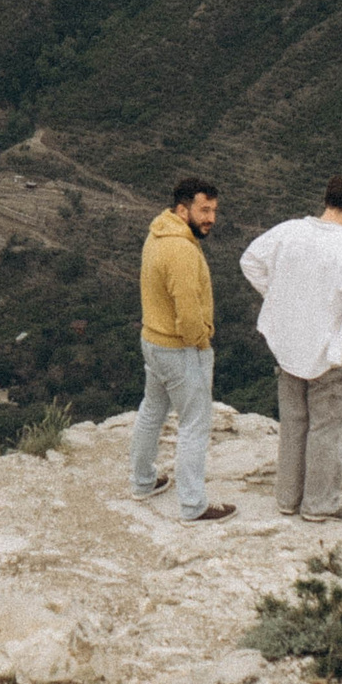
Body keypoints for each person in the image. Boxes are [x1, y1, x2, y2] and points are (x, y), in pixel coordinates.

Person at [239, 176, 342, 521]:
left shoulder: (289, 231)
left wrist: (278, 299)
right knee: (328, 429)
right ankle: (318, 504)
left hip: (289, 346)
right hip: (332, 354)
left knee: (293, 425)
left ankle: (288, 499)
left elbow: (250, 260)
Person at [132, 176, 234, 523]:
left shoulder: (158, 233)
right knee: (195, 424)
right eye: (204, 210)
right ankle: (193, 506)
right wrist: (202, 340)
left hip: (153, 341)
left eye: (214, 210)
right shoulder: (181, 249)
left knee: (152, 411)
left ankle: (143, 482)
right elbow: (188, 313)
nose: (211, 218)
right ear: (182, 209)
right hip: (179, 349)